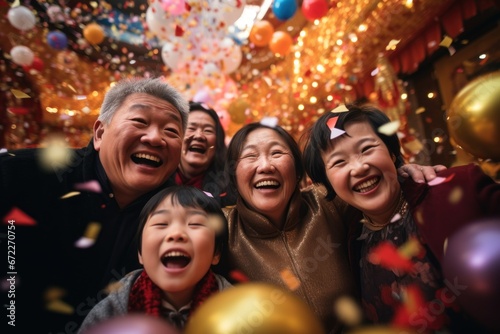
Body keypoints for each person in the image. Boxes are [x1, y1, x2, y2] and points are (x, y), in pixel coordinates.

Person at [0, 77, 189, 333]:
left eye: (171, 131)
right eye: (139, 121)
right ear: (100, 133)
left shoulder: (182, 215)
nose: (155, 138)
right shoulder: (19, 176)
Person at [218, 121, 442, 333]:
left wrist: (404, 173)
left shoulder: (327, 201)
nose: (265, 165)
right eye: (250, 156)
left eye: (277, 153)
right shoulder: (222, 228)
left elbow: (374, 186)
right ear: (234, 176)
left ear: (297, 171)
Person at [302, 104, 500, 332]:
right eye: (339, 162)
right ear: (328, 184)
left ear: (391, 152)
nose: (358, 167)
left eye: (366, 148)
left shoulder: (461, 187)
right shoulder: (349, 239)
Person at [78, 186, 232, 333]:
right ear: (140, 253)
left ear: (216, 253)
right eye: (161, 224)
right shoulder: (113, 311)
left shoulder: (234, 307)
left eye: (195, 223)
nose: (176, 233)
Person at [171, 101, 236, 207]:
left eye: (208, 130)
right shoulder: (154, 181)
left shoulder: (230, 191)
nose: (199, 136)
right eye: (191, 128)